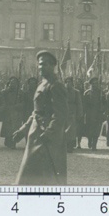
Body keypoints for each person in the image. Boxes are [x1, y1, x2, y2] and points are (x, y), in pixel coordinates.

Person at [14, 50, 68, 185]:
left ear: (52, 66)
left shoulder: (56, 86)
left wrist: (49, 133)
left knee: (47, 175)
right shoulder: (42, 84)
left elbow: (60, 114)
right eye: (39, 64)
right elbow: (35, 112)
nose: (40, 67)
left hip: (48, 138)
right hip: (36, 134)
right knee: (31, 173)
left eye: (44, 64)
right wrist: (23, 129)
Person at [83, 77, 103, 150]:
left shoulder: (100, 92)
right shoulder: (87, 93)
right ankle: (90, 140)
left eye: (96, 83)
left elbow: (104, 102)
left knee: (97, 129)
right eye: (94, 84)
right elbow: (84, 104)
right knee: (90, 129)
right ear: (91, 84)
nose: (95, 85)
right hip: (90, 113)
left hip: (98, 113)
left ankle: (94, 145)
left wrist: (102, 109)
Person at [64, 76, 84, 152]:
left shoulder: (76, 92)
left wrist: (80, 114)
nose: (68, 83)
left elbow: (79, 104)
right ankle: (64, 146)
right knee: (63, 130)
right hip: (63, 112)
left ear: (72, 83)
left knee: (72, 131)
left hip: (72, 113)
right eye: (66, 82)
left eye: (69, 82)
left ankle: (70, 146)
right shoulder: (62, 91)